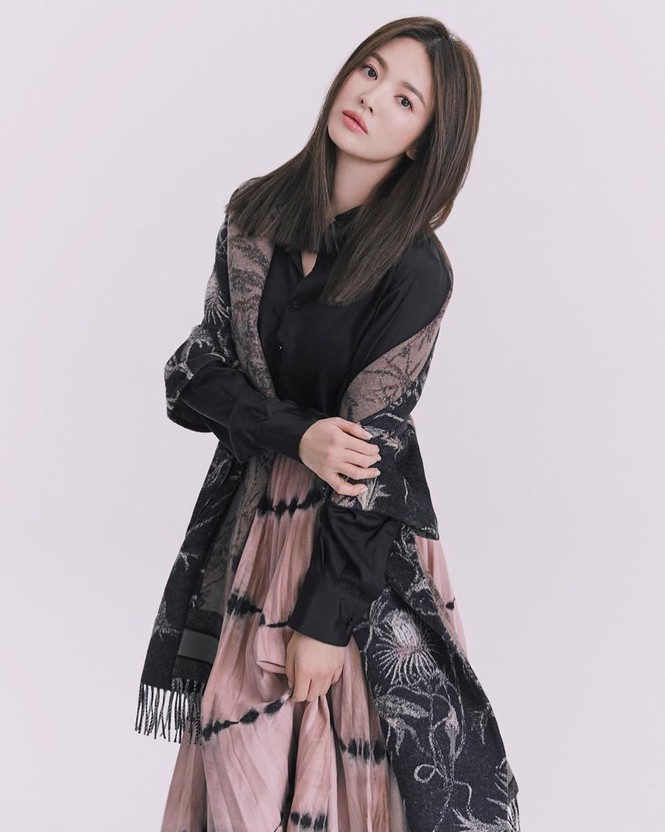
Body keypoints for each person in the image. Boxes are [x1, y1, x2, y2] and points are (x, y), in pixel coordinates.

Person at [152, 15, 520, 832]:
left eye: (405, 99)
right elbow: (190, 375)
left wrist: (324, 623)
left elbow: (371, 454)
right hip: (252, 532)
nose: (371, 99)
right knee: (238, 772)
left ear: (423, 142)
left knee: (346, 783)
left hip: (353, 554)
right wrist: (297, 435)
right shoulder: (253, 217)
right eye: (370, 71)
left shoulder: (415, 271)